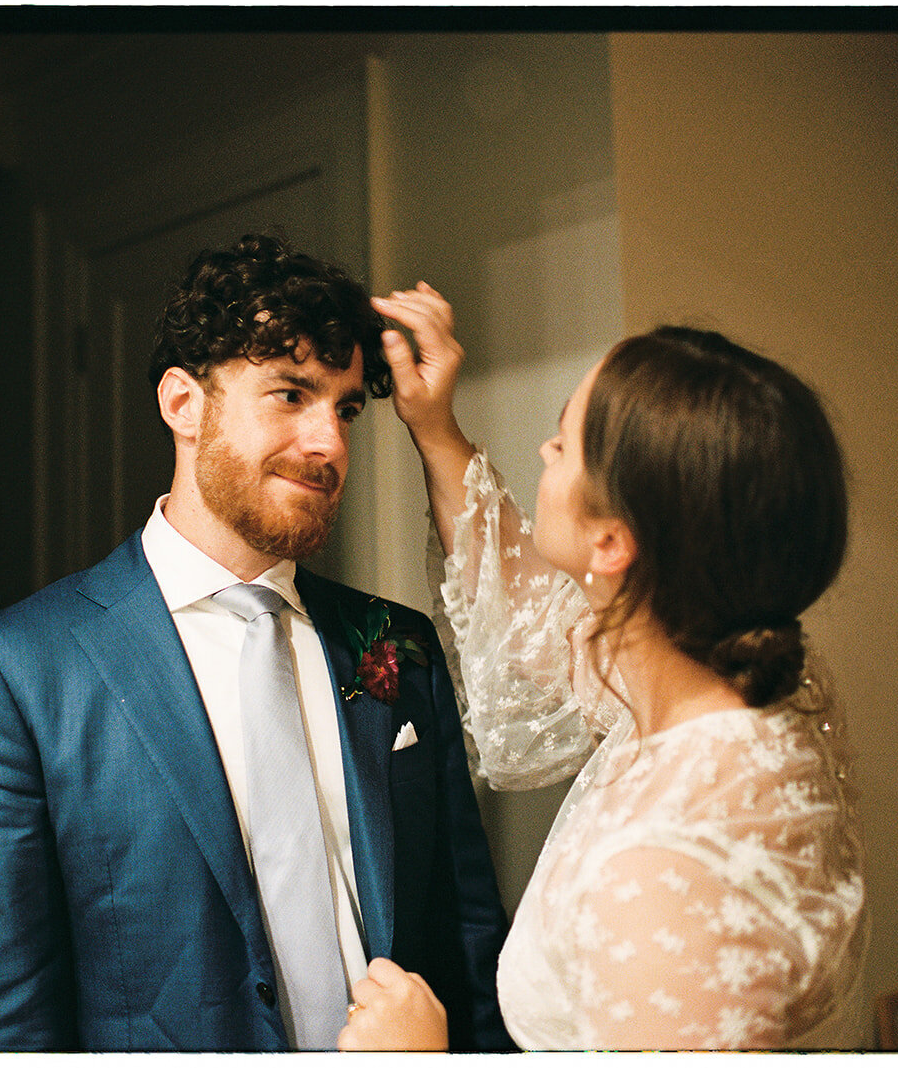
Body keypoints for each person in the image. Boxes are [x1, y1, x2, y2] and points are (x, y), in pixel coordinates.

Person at [0, 240, 512, 1052]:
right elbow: (19, 999)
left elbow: (470, 943)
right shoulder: (35, 661)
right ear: (183, 404)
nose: (328, 443)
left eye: (345, 409)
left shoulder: (395, 644)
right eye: (290, 395)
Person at [339, 284, 865, 1051]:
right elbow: (529, 617)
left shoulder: (666, 873)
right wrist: (435, 428)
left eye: (562, 441)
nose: (544, 453)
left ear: (614, 544)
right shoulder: (762, 679)